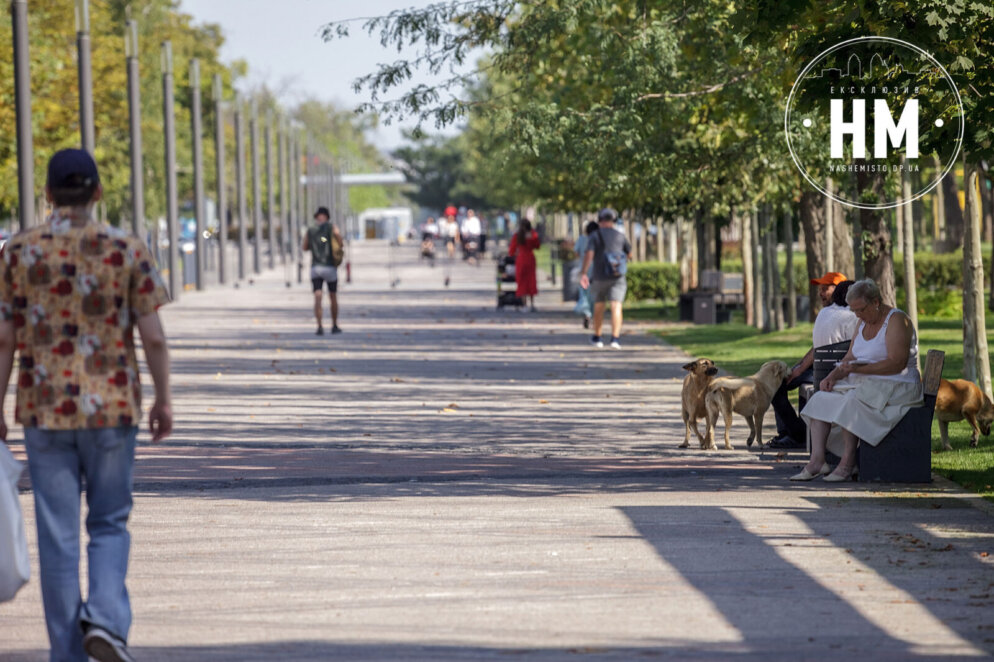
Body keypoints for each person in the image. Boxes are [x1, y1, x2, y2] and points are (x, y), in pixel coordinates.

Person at [0, 149, 172, 662]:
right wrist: (164, 399)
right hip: (113, 410)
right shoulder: (127, 249)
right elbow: (154, 337)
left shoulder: (19, 252)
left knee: (57, 537)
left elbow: (5, 337)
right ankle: (104, 617)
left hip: (44, 410)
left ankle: (67, 654)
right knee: (109, 521)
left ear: (48, 194)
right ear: (98, 192)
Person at [790, 279, 922, 482]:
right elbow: (850, 356)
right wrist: (832, 376)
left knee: (850, 401)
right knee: (820, 399)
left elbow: (897, 363)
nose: (857, 315)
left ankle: (847, 463)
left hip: (897, 384)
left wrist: (861, 369)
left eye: (860, 309)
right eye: (854, 311)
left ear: (876, 302)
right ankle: (818, 461)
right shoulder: (862, 322)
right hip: (866, 382)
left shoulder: (897, 320)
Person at [768, 273, 857, 449]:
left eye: (825, 289)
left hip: (831, 373)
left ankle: (797, 435)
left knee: (779, 386)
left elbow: (823, 349)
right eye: (820, 289)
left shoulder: (842, 315)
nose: (821, 293)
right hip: (825, 369)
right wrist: (799, 367)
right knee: (777, 384)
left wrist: (800, 370)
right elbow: (818, 347)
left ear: (839, 289)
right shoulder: (829, 313)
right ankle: (791, 433)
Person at [578, 208, 632, 350]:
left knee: (599, 305)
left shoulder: (595, 236)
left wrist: (583, 272)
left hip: (599, 276)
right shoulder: (620, 235)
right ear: (614, 221)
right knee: (616, 305)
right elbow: (629, 254)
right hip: (618, 276)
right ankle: (615, 339)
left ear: (600, 220)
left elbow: (589, 255)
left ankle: (598, 337)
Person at [302, 206, 343, 335]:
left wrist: (316, 241)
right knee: (333, 296)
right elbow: (339, 241)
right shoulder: (332, 228)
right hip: (330, 267)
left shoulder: (311, 230)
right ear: (327, 216)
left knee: (318, 297)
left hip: (316, 268)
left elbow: (305, 247)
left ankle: (319, 326)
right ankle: (334, 325)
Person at [508, 219, 540, 311]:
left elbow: (511, 251)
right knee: (531, 280)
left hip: (521, 259)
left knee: (522, 281)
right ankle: (532, 304)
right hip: (530, 258)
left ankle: (524, 304)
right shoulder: (533, 235)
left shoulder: (517, 236)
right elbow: (537, 246)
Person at [573, 221, 599, 328]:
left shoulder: (581, 239)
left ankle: (587, 314)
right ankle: (594, 316)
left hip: (583, 270)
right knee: (595, 295)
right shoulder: (599, 241)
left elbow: (576, 253)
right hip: (596, 271)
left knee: (584, 293)